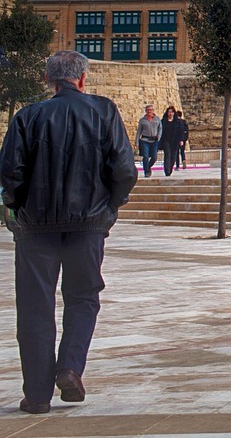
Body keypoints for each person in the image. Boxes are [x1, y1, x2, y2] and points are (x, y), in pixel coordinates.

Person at [0, 50, 137, 415]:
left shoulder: (27, 117)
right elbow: (125, 171)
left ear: (49, 80)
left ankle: (38, 395)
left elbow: (10, 174)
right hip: (88, 226)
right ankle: (71, 368)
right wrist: (108, 210)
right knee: (83, 298)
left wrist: (16, 208)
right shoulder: (104, 111)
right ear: (82, 78)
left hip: (35, 228)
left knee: (35, 307)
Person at [135, 104, 160, 178]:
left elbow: (160, 128)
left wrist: (158, 137)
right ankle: (147, 171)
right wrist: (136, 142)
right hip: (144, 140)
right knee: (145, 156)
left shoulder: (157, 119)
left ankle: (147, 167)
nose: (149, 111)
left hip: (154, 140)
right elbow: (139, 131)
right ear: (146, 111)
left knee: (154, 157)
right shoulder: (142, 120)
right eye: (148, 110)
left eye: (151, 110)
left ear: (153, 110)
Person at [159, 105, 183, 177]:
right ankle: (167, 170)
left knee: (173, 156)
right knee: (167, 155)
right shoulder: (163, 121)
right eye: (169, 112)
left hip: (175, 141)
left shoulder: (178, 122)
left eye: (172, 112)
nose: (170, 113)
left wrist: (181, 140)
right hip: (166, 140)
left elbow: (180, 131)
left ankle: (170, 168)